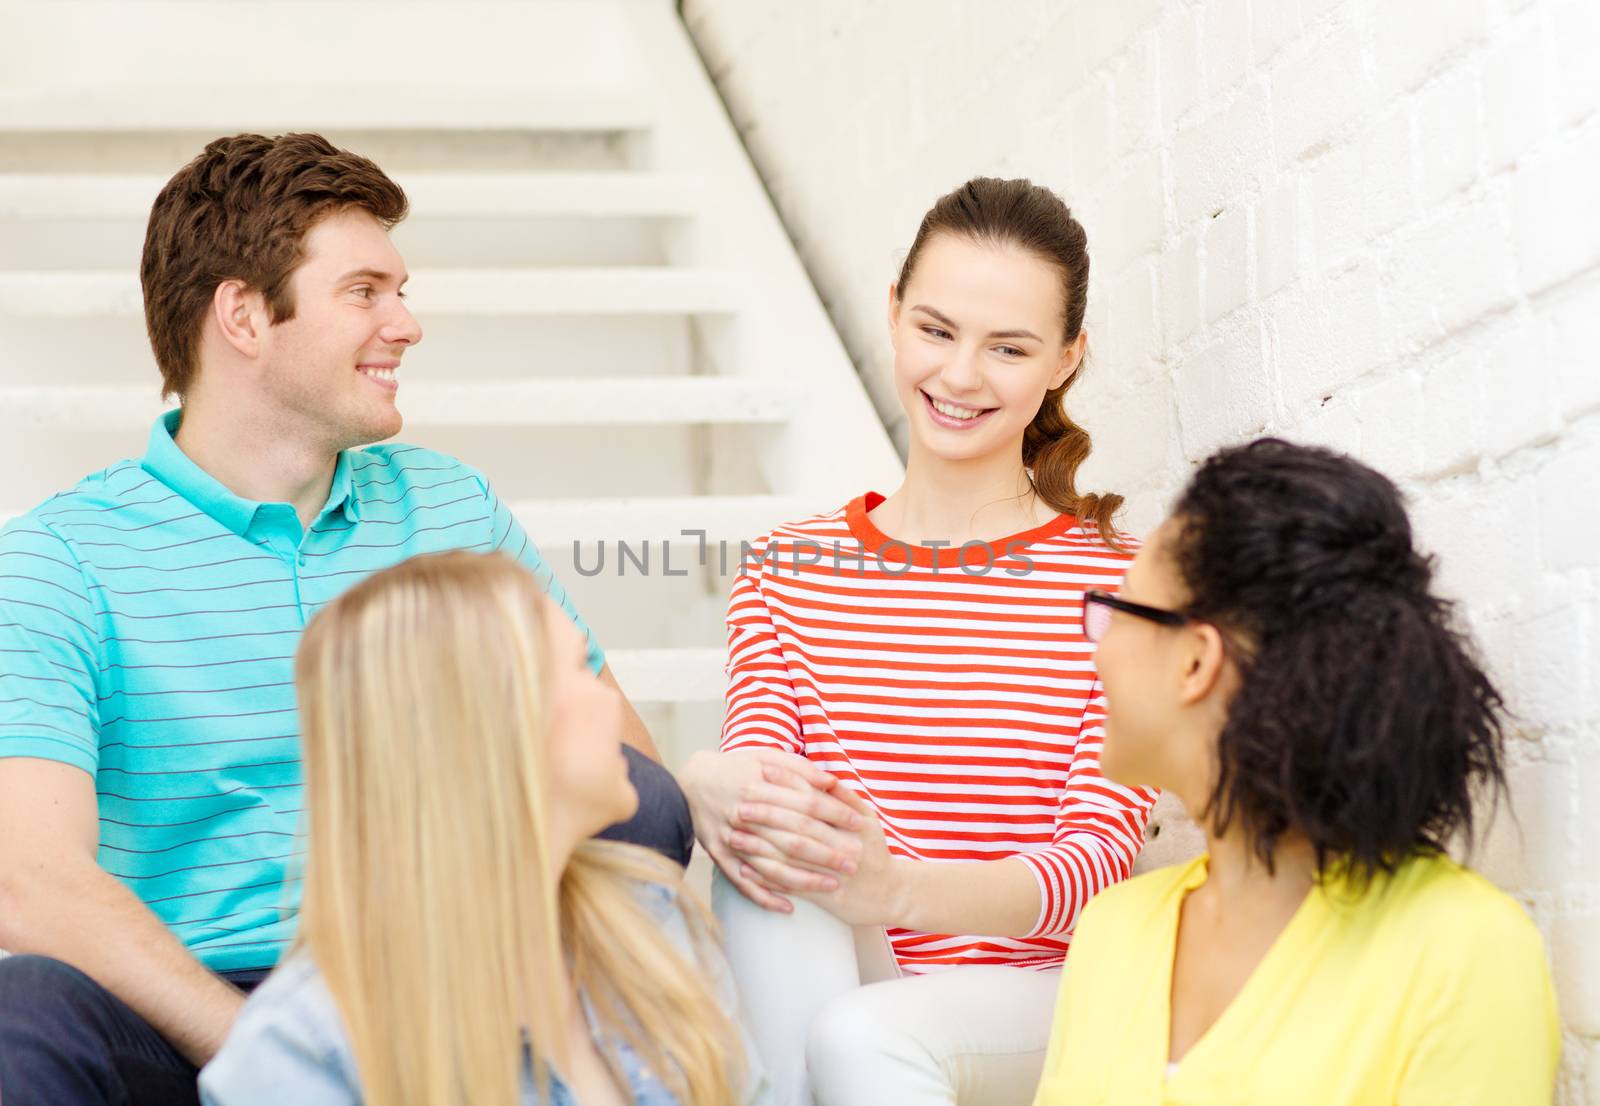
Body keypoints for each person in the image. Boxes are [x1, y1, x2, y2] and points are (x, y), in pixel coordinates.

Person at [0, 132, 691, 1106]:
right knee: (21, 1008)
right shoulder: (61, 556)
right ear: (242, 314)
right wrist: (277, 1058)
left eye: (399, 290)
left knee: (649, 800)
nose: (406, 323)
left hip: (442, 992)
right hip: (190, 1013)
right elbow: (30, 878)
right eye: (365, 290)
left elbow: (621, 762)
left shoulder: (451, 507)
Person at [677, 178, 1157, 1106]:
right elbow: (766, 791)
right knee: (762, 855)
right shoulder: (786, 568)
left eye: (1008, 348)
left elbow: (1094, 860)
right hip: (851, 974)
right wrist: (701, 781)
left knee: (863, 1033)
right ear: (893, 317)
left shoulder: (1127, 585)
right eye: (936, 330)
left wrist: (894, 889)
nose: (961, 376)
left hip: (1037, 1001)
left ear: (1066, 360)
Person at [1031, 438, 1561, 1106]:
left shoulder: (1462, 952)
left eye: (1119, 610)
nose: (1096, 653)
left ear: (1195, 662)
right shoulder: (1114, 930)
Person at [200, 550, 764, 1106]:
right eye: (575, 670)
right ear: (494, 726)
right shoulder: (299, 1051)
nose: (609, 703)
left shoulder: (656, 924)